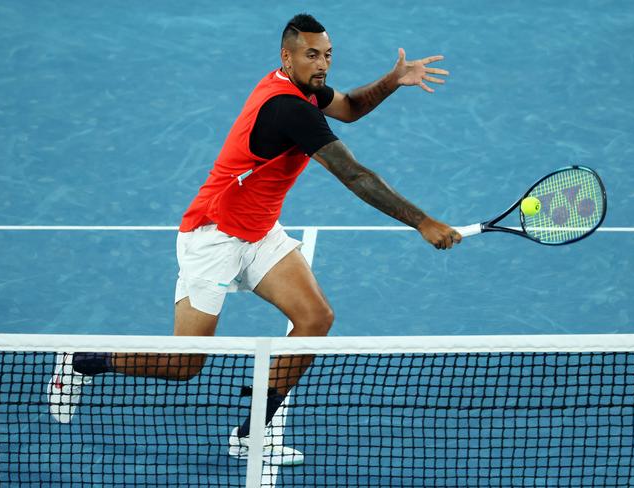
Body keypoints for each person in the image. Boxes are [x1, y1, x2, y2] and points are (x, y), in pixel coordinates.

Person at [47, 13, 461, 466]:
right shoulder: (288, 108)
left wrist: (393, 79)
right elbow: (354, 174)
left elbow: (350, 107)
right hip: (214, 236)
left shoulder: (302, 88)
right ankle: (82, 361)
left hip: (259, 231)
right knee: (185, 365)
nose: (321, 64)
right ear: (287, 56)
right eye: (311, 55)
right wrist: (422, 221)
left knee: (314, 318)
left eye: (326, 55)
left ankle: (250, 432)